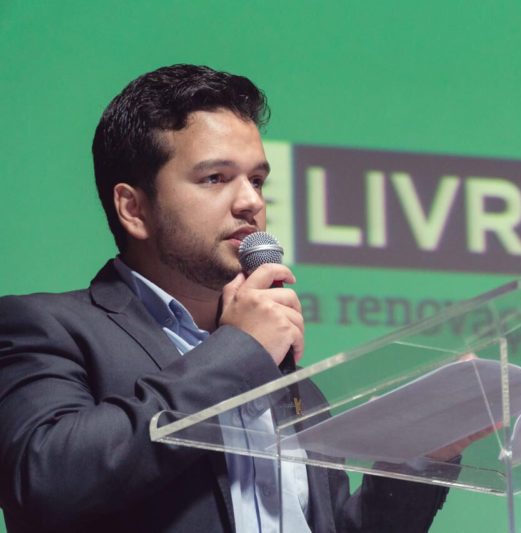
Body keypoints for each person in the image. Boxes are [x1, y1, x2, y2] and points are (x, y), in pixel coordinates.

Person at [0, 64, 461, 533]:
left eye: (257, 180)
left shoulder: (287, 379)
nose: (251, 202)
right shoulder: (43, 328)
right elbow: (44, 479)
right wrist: (239, 349)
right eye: (216, 178)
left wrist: (420, 457)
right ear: (133, 208)